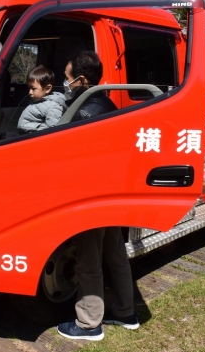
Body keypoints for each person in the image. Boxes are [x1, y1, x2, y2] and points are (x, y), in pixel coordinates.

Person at [57, 51, 139, 341]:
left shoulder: (83, 111)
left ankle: (89, 323)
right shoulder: (107, 102)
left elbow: (66, 152)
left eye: (66, 77)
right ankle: (126, 312)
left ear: (80, 79)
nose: (64, 83)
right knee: (115, 254)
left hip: (90, 197)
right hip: (111, 193)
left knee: (88, 260)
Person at [17, 65, 67, 133]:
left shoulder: (53, 107)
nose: (30, 92)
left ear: (47, 89)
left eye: (33, 89)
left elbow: (52, 130)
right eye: (29, 88)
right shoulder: (38, 100)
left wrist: (34, 128)